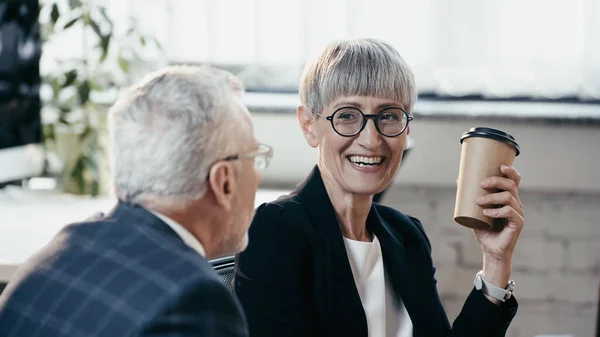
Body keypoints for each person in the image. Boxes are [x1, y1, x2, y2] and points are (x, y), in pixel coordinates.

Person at [234, 38, 522, 337]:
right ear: (308, 124)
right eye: (347, 115)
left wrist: (496, 263)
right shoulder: (275, 231)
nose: (371, 140)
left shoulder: (406, 235)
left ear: (406, 128)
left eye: (388, 116)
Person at [0, 65, 273, 337]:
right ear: (223, 181)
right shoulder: (194, 300)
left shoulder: (52, 258)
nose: (258, 177)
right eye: (255, 158)